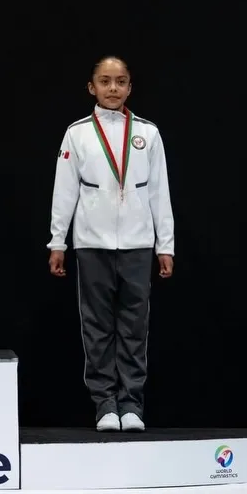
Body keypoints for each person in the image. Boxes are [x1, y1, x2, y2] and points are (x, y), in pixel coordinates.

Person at [47, 56, 175, 432]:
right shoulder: (78, 133)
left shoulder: (148, 133)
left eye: (120, 81)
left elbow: (159, 192)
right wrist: (58, 241)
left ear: (130, 87)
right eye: (105, 81)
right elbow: (64, 190)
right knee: (97, 326)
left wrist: (164, 245)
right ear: (92, 87)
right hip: (91, 243)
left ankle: (131, 402)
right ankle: (105, 403)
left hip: (138, 242)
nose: (113, 88)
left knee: (135, 325)